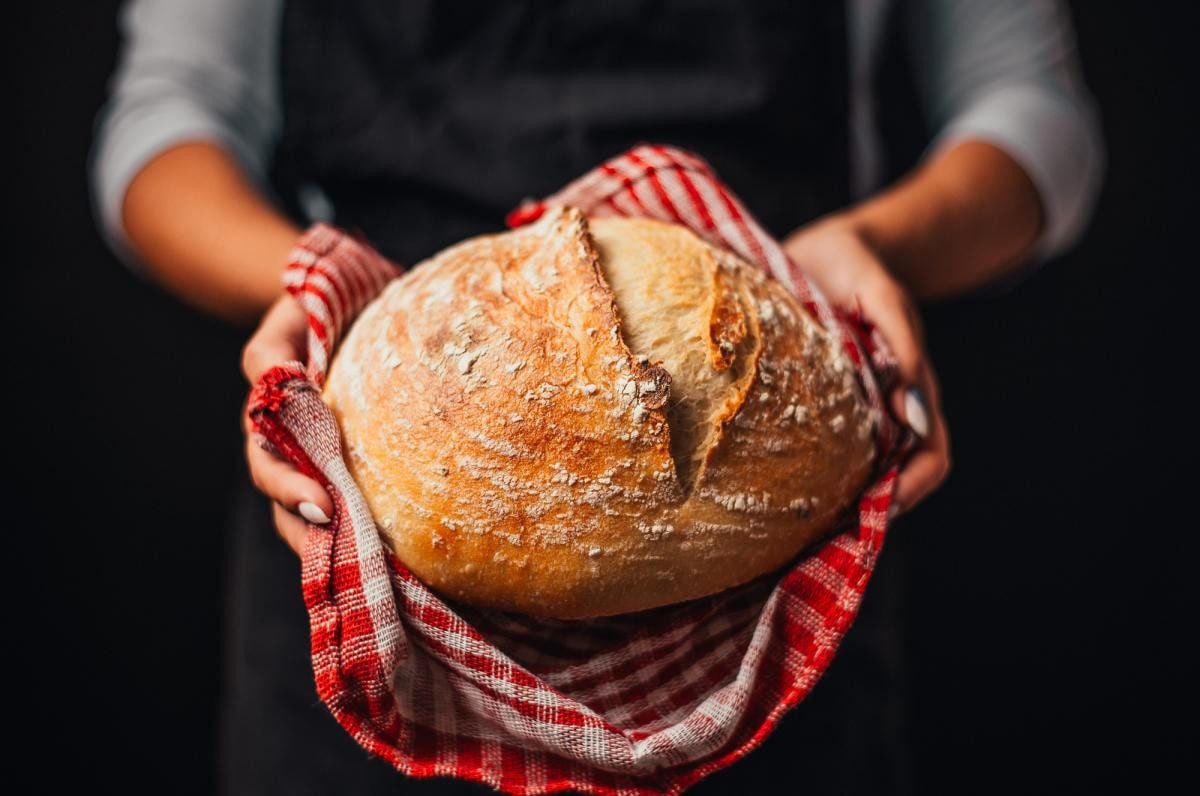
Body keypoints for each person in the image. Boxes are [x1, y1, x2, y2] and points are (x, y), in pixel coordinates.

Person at [91, 1, 1103, 793]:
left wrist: (877, 246)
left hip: (775, 600)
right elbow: (166, 122)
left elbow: (1033, 113)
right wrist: (315, 292)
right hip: (376, 563)